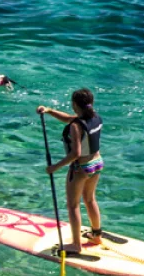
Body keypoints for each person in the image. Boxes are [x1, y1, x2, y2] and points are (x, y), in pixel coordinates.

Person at [39, 89, 105, 254]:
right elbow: (69, 119)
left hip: (81, 168)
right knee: (90, 199)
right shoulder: (94, 116)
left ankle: (76, 245)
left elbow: (75, 153)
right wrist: (49, 111)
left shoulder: (76, 126)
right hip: (97, 163)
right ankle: (96, 235)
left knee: (73, 205)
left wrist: (55, 167)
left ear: (75, 105)